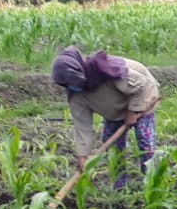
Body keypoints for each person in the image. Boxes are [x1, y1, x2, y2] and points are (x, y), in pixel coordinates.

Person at [51, 46, 159, 188]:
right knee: (113, 147)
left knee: (144, 139)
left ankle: (151, 181)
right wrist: (83, 155)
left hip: (143, 97)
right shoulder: (76, 95)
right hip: (113, 109)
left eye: (72, 81)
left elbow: (141, 85)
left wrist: (132, 111)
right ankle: (120, 185)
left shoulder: (107, 69)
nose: (71, 86)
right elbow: (82, 125)